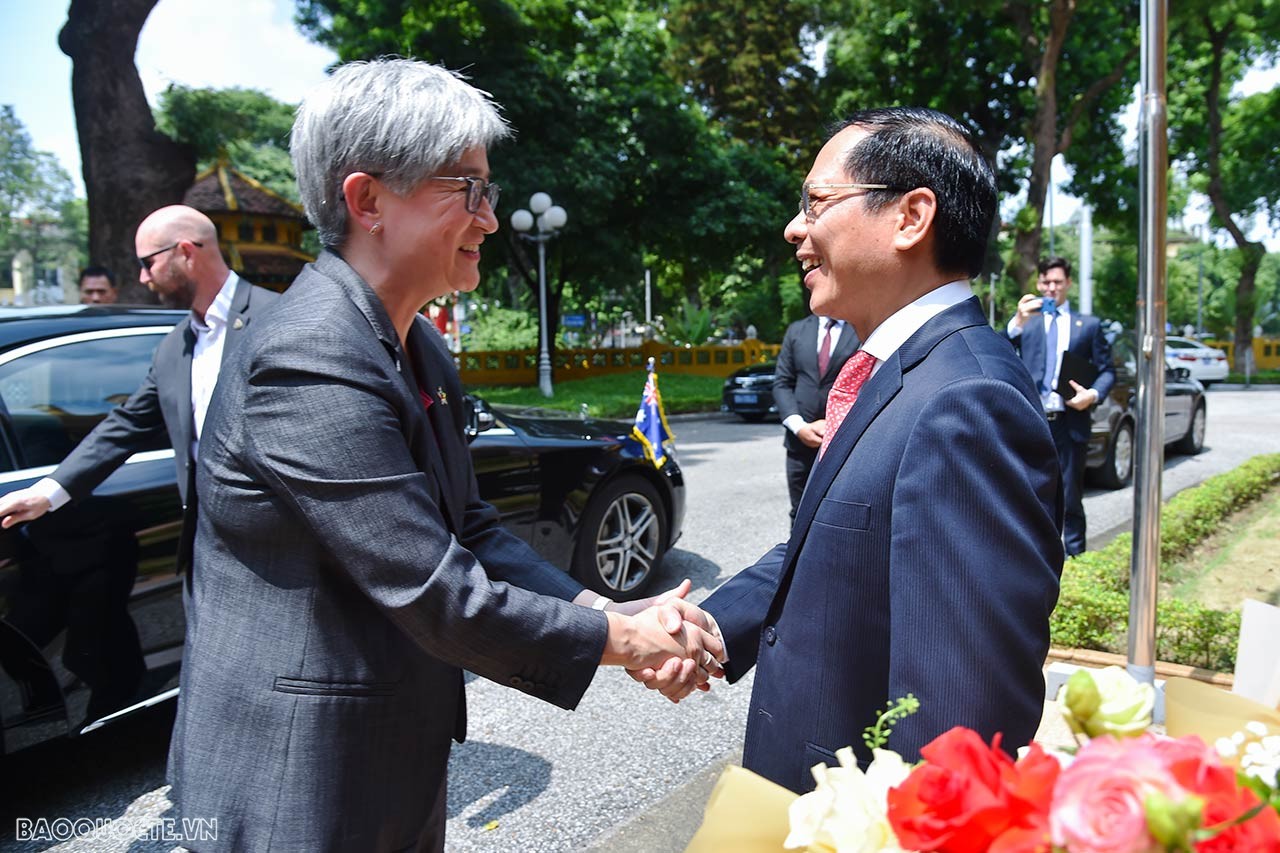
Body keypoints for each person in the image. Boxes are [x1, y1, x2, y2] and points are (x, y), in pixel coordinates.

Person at [168, 58, 723, 852]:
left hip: (390, 758)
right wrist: (632, 644)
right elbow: (438, 588)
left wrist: (603, 609)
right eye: (467, 188)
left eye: (489, 190)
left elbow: (469, 525)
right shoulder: (309, 356)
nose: (490, 218)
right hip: (296, 775)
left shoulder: (415, 339)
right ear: (367, 201)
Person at [634, 106, 1063, 794]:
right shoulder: (897, 370)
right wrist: (716, 621)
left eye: (816, 201)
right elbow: (834, 539)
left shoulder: (966, 399)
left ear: (910, 217)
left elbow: (958, 721)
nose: (794, 228)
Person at [0, 206, 281, 578]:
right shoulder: (174, 346)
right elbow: (128, 424)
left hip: (278, 555)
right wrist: (49, 492)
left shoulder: (278, 320)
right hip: (204, 557)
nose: (142, 276)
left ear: (185, 252)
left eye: (148, 262)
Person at [1007, 256, 1114, 556]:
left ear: (1068, 283)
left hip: (1070, 421)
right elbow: (998, 348)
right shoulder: (1026, 322)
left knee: (1070, 496)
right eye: (1046, 282)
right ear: (1039, 284)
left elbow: (1108, 370)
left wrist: (1092, 395)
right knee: (1028, 493)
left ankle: (1076, 557)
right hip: (1032, 421)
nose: (1051, 288)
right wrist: (1017, 322)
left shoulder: (1087, 326)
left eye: (1057, 282)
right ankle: (1034, 558)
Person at [772, 310, 859, 521]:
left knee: (836, 512)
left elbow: (864, 382)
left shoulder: (859, 328)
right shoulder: (797, 330)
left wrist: (833, 424)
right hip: (799, 440)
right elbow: (782, 382)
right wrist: (798, 426)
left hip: (842, 439)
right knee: (799, 511)